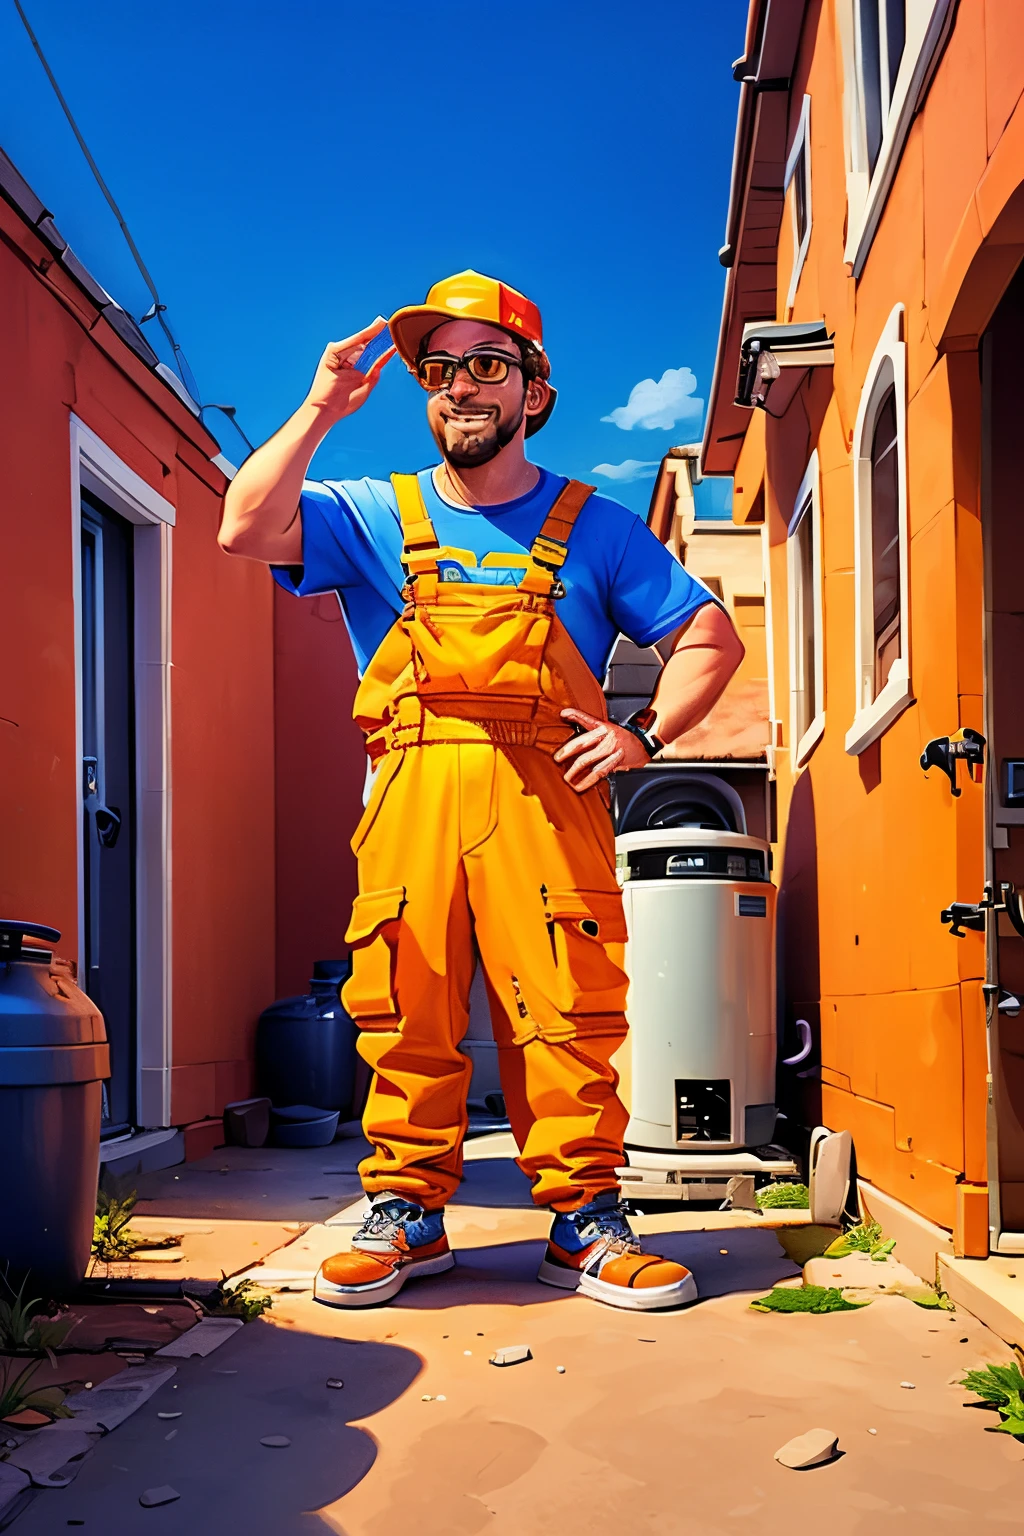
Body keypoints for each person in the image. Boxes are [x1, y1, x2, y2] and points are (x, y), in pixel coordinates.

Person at [219, 270, 744, 1310]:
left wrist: (641, 736)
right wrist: (323, 406)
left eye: (488, 365)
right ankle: (407, 1213)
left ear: (532, 392)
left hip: (549, 796)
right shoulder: (372, 511)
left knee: (565, 1009)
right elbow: (242, 525)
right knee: (404, 1001)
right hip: (409, 789)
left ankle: (585, 1221)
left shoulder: (594, 528)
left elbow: (707, 634)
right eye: (441, 368)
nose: (461, 385)